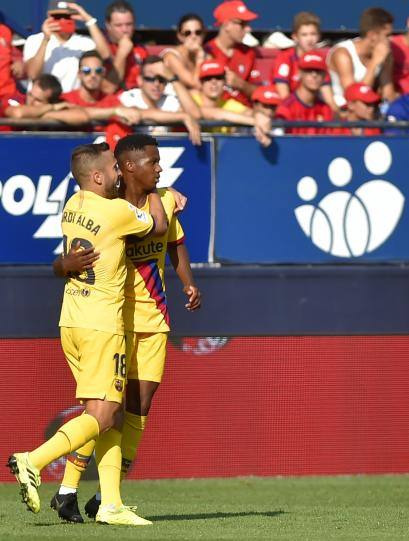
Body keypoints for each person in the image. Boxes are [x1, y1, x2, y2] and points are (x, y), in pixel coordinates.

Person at [6, 141, 168, 526]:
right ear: (98, 176)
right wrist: (156, 194)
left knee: (103, 414)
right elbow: (157, 224)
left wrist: (62, 264)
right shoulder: (115, 212)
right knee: (106, 413)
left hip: (71, 320)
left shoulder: (73, 206)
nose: (117, 174)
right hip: (102, 325)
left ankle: (110, 504)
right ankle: (34, 459)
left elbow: (65, 259)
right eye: (114, 168)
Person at [50, 134, 201, 523]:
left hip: (154, 318)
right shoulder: (110, 206)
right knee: (106, 411)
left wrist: (187, 281)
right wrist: (63, 265)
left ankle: (104, 495)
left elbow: (173, 243)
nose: (160, 167)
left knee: (138, 407)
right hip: (115, 318)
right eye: (153, 162)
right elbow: (154, 226)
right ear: (127, 168)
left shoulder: (164, 198)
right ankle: (68, 488)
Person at [23, 1, 110, 93]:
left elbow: (105, 55)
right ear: (49, 16)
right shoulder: (35, 40)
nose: (63, 20)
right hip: (44, 102)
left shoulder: (85, 42)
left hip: (72, 103)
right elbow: (33, 74)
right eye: (57, 17)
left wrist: (89, 20)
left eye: (67, 17)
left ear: (75, 17)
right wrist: (46, 39)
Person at [118, 56, 201, 144]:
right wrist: (183, 116)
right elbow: (134, 112)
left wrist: (173, 78)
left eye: (161, 79)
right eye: (150, 79)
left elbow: (195, 115)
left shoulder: (170, 100)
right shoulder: (129, 97)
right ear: (140, 80)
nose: (156, 84)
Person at [328, 7, 395, 108]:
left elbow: (388, 95)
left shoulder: (384, 55)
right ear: (372, 35)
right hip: (342, 114)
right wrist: (374, 63)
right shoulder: (342, 54)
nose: (391, 39)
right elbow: (353, 98)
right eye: (387, 35)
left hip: (369, 113)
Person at [272, 11, 337, 113]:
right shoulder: (285, 58)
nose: (309, 39)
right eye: (304, 35)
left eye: (313, 34)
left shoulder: (320, 60)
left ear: (319, 36)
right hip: (287, 112)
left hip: (312, 111)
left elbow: (328, 97)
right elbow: (283, 96)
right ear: (295, 37)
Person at [205, 0, 260, 105]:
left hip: (247, 112)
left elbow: (259, 92)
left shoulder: (248, 53)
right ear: (226, 25)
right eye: (242, 24)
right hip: (219, 113)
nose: (248, 29)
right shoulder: (207, 52)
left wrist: (241, 84)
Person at [276, 52, 335, 135]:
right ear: (299, 73)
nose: (314, 75)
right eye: (309, 70)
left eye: (318, 71)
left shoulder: (326, 109)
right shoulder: (286, 107)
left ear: (325, 75)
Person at [104, 1, 147, 90]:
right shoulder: (103, 50)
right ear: (108, 25)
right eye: (118, 25)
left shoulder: (141, 50)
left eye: (129, 24)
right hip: (115, 100)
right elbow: (108, 89)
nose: (125, 30)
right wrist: (122, 54)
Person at [161, 13, 207, 90]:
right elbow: (195, 85)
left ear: (203, 34)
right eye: (187, 33)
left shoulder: (206, 56)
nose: (193, 36)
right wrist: (200, 58)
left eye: (198, 32)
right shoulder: (171, 56)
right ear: (180, 36)